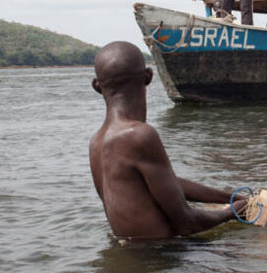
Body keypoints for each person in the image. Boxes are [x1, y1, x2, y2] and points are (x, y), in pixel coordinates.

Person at [89, 41, 247, 239]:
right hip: (161, 260)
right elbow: (187, 223)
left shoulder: (96, 143)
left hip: (135, 256)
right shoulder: (139, 135)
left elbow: (162, 183)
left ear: (97, 86)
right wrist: (231, 214)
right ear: (148, 76)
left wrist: (231, 198)